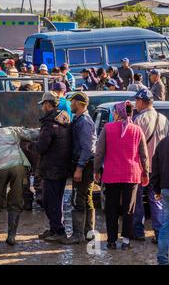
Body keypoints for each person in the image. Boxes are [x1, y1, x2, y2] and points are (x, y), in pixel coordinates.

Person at [94, 101, 150, 250]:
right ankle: (126, 241)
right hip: (131, 175)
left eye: (114, 112)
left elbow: (99, 152)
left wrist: (96, 170)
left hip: (111, 175)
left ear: (118, 113)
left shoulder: (108, 128)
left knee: (111, 208)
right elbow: (144, 155)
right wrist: (146, 172)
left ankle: (111, 241)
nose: (113, 114)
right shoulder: (137, 130)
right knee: (129, 208)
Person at [0, 120, 39, 246]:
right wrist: (46, 128)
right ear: (0, 126)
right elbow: (32, 134)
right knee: (16, 201)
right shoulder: (11, 130)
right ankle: (11, 237)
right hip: (17, 166)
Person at [34, 92, 72, 242]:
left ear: (47, 105)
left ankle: (59, 230)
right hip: (62, 166)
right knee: (57, 199)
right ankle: (54, 228)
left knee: (50, 201)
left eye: (43, 104)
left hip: (52, 168)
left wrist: (30, 145)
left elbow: (41, 147)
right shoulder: (64, 119)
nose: (42, 107)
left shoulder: (49, 123)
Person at [132, 89, 169, 243]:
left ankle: (139, 232)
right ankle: (159, 233)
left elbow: (133, 146)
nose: (136, 104)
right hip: (159, 169)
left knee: (138, 201)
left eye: (137, 101)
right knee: (156, 201)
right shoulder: (164, 119)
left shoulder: (137, 121)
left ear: (142, 102)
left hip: (140, 168)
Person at [60, 93, 97, 244]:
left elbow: (87, 148)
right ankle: (88, 233)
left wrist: (79, 168)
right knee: (86, 198)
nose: (71, 105)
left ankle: (78, 235)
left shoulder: (84, 122)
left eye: (73, 102)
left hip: (84, 165)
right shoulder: (78, 120)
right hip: (84, 164)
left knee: (77, 199)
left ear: (80, 103)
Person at [150, 136, 169, 265]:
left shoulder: (163, 143)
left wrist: (156, 190)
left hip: (166, 189)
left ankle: (162, 260)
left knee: (166, 226)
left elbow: (155, 169)